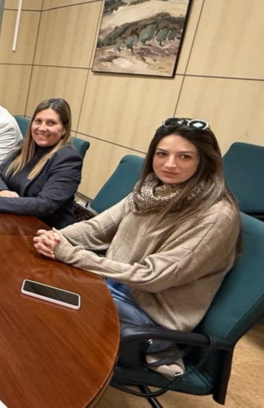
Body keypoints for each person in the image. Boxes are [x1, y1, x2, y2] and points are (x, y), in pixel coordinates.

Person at [33, 117, 242, 377]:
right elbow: (97, 228)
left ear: (205, 161)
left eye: (185, 157)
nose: (169, 164)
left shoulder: (215, 215)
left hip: (151, 319)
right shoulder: (149, 190)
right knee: (39, 284)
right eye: (162, 154)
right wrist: (55, 238)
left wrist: (71, 254)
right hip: (115, 286)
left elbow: (152, 276)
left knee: (49, 312)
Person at [0, 98, 82, 229]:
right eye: (38, 121)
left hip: (45, 230)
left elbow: (44, 205)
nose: (42, 128)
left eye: (51, 123)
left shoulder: (68, 159)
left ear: (64, 129)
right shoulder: (24, 145)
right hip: (14, 220)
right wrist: (2, 190)